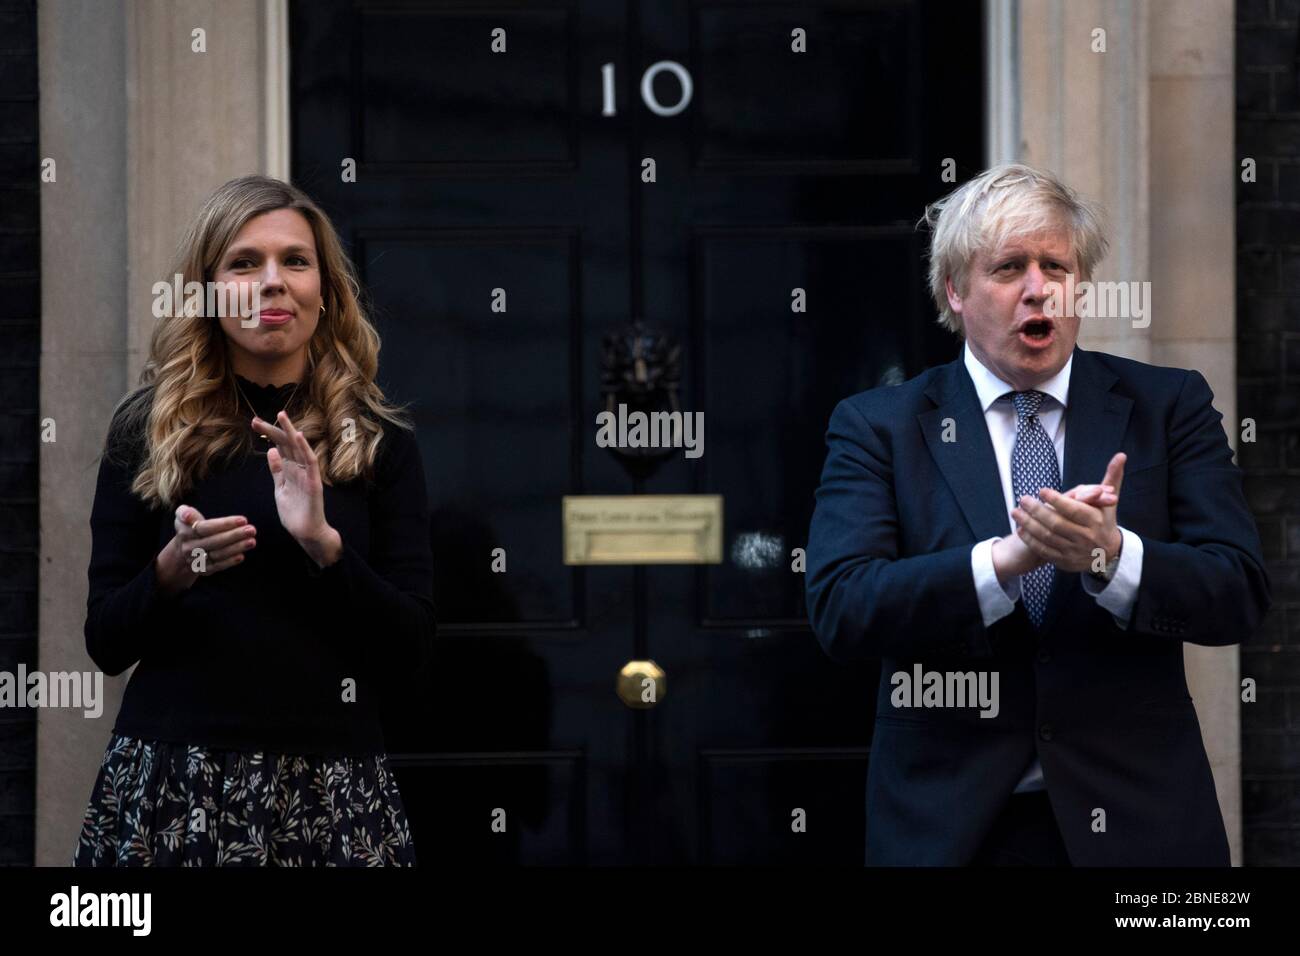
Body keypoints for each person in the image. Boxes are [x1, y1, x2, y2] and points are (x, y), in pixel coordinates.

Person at [805, 163, 1271, 866]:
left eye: (1057, 265)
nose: (1038, 287)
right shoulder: (880, 427)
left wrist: (1114, 557)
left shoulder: (1167, 405)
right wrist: (1005, 562)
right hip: (951, 832)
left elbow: (1238, 592)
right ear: (955, 291)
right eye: (1009, 267)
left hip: (1143, 829)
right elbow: (843, 607)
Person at [72, 175, 436, 866]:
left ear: (324, 290)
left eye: (295, 261)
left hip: (333, 786)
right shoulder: (147, 431)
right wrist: (170, 572)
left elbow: (411, 647)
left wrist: (326, 548)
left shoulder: (379, 443)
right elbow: (105, 641)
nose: (273, 282)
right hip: (178, 781)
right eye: (245, 262)